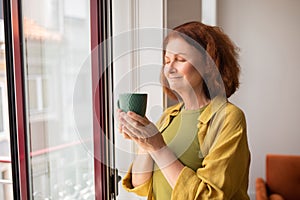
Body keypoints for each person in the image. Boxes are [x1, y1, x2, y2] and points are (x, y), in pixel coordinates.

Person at [118, 21, 250, 200]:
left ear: (208, 65)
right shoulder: (168, 117)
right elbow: (140, 184)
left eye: (180, 59)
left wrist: (158, 147)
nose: (170, 68)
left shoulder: (228, 118)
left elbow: (208, 196)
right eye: (167, 61)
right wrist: (143, 141)